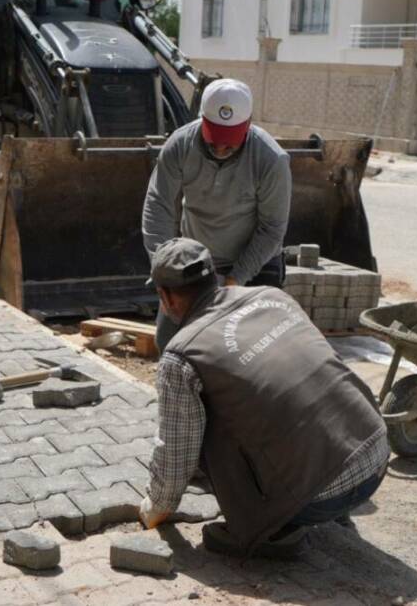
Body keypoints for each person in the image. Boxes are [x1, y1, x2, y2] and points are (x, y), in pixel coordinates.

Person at [137, 238, 389, 557]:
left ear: (167, 297)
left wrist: (155, 507)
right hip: (376, 454)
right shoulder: (272, 296)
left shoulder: (182, 354)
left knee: (207, 422)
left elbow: (176, 453)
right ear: (212, 276)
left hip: (321, 497)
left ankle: (274, 531)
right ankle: (323, 498)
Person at [141, 78, 292, 351]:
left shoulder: (271, 159)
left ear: (247, 126)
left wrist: (235, 279)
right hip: (197, 260)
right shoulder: (180, 145)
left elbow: (272, 229)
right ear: (202, 121)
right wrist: (162, 266)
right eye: (215, 141)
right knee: (169, 341)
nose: (221, 149)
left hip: (253, 261)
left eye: (230, 143)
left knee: (251, 347)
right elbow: (158, 204)